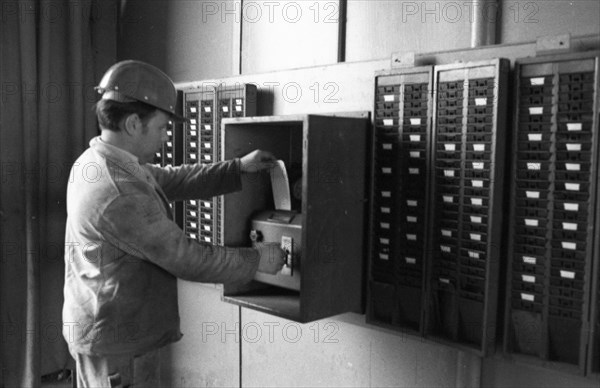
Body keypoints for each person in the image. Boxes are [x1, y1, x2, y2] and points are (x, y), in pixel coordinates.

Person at [62, 60, 286, 387]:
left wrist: (237, 168)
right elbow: (187, 257)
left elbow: (172, 179)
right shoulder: (119, 189)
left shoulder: (101, 160)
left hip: (107, 325)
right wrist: (257, 260)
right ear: (134, 124)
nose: (166, 138)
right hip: (118, 339)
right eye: (162, 128)